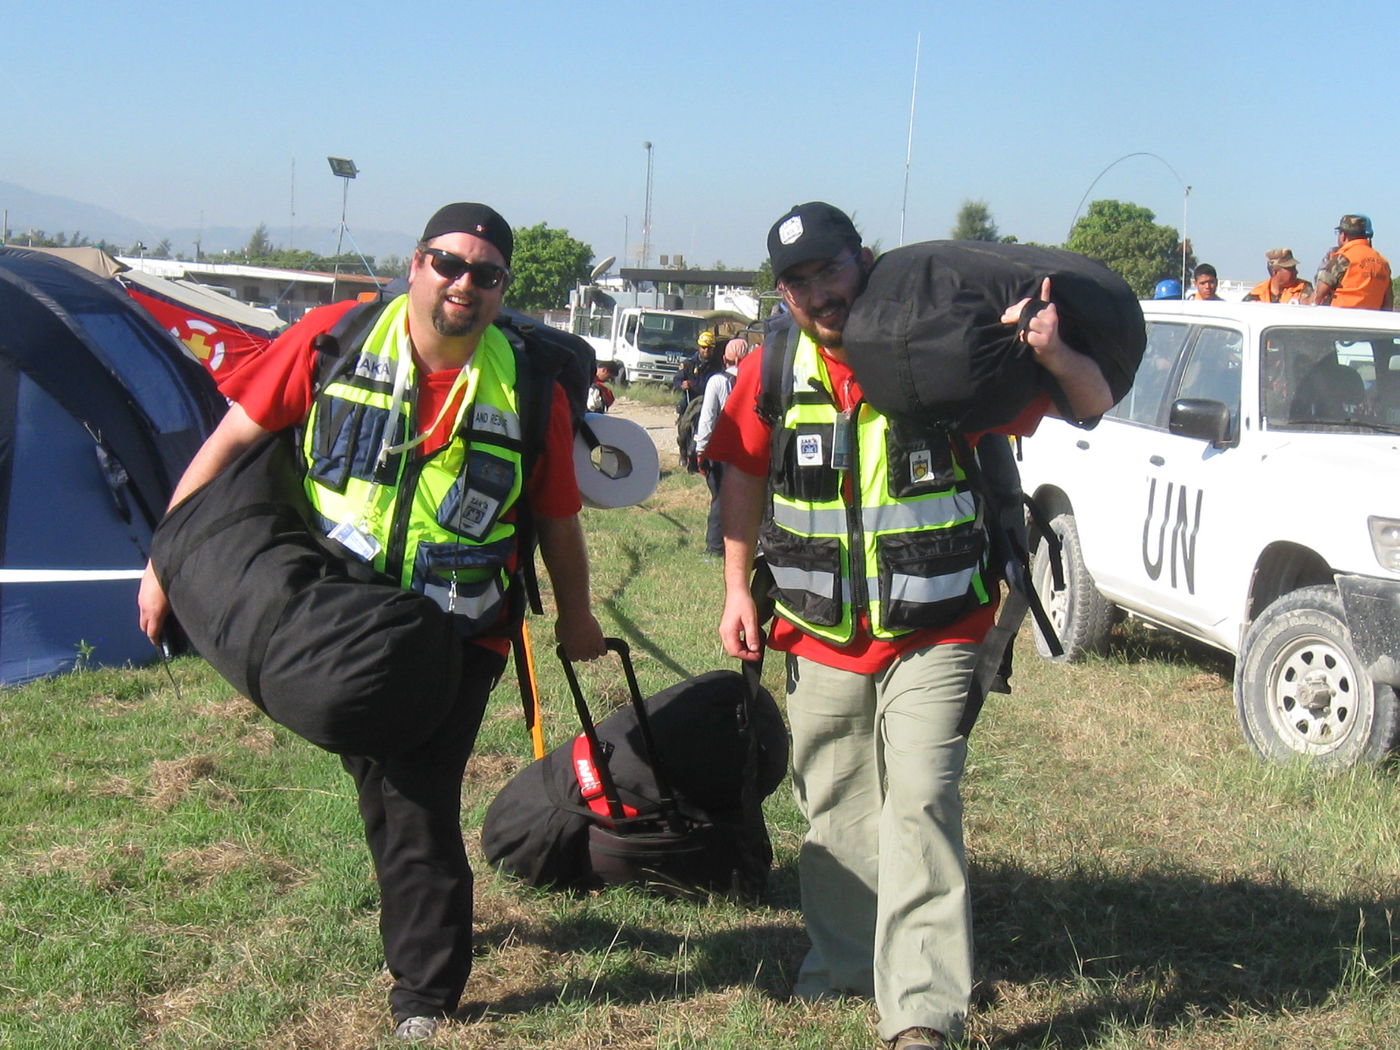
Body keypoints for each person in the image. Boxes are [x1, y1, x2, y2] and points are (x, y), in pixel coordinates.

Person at [137, 202, 606, 1042]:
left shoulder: (529, 390)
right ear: (415, 264)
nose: (464, 283)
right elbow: (236, 435)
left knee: (413, 796)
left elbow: (559, 519)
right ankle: (423, 933)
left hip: (459, 632)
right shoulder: (335, 338)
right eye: (447, 264)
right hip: (337, 612)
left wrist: (576, 616)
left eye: (486, 273)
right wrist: (167, 554)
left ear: (503, 290)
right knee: (384, 789)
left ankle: (425, 994)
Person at [707, 202, 1112, 1050]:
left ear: (865, 261)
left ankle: (922, 1011)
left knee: (922, 800)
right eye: (800, 281)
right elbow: (741, 469)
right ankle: (847, 965)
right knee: (836, 805)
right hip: (817, 630)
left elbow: (1089, 402)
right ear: (782, 294)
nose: (821, 293)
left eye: (832, 270)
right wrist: (737, 588)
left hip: (939, 625)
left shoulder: (939, 347)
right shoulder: (773, 367)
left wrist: (1052, 350)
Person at [693, 336, 749, 556]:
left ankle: (715, 547)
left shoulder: (717, 381)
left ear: (725, 356)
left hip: (721, 449)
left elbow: (707, 417)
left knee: (719, 498)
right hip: (748, 448)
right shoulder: (755, 378)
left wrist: (700, 449)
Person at [1312, 214, 1393, 309]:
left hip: (1340, 319)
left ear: (1343, 236)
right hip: (1371, 321)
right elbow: (1388, 302)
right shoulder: (1384, 263)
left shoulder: (1343, 258)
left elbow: (1318, 296)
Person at [1243, 249, 1313, 303]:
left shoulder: (1303, 288)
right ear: (1275, 271)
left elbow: (1309, 305)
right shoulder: (1256, 294)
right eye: (1291, 269)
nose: (1296, 272)